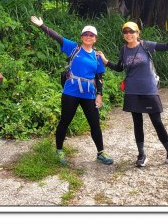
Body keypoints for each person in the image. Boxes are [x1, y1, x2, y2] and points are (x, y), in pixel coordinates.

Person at [97, 21, 168, 168]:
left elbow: (166, 46)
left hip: (149, 90)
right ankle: (141, 154)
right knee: (137, 123)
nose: (128, 34)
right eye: (125, 32)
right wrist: (106, 61)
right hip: (132, 91)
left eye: (131, 31)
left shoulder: (146, 45)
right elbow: (120, 68)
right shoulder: (124, 50)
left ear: (137, 33)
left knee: (157, 122)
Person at [29, 16, 113, 166]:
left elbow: (99, 77)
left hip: (89, 94)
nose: (88, 37)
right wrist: (42, 25)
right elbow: (58, 38)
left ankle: (101, 153)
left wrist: (99, 95)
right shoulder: (74, 48)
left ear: (95, 39)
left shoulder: (98, 56)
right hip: (71, 92)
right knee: (65, 121)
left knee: (95, 124)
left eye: (91, 35)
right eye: (85, 34)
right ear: (81, 37)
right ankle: (59, 150)